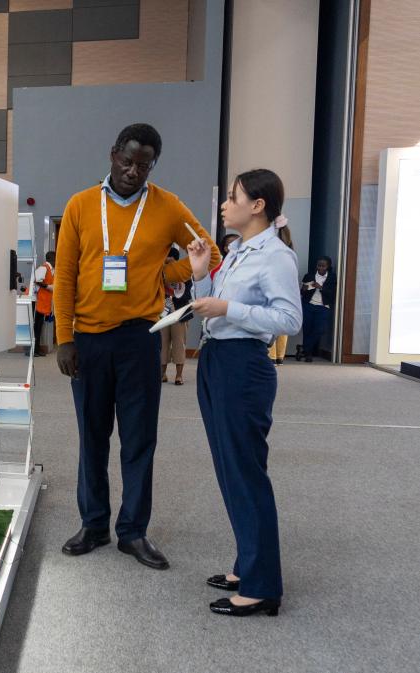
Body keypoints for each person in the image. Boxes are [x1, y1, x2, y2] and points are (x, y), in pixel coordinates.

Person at [54, 123, 221, 570]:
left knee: (139, 438)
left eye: (143, 165)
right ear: (113, 154)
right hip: (88, 341)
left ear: (152, 166)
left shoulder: (167, 206)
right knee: (92, 437)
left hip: (140, 340)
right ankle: (94, 524)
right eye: (127, 161)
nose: (132, 171)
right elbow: (65, 276)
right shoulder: (80, 205)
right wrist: (64, 338)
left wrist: (165, 274)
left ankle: (132, 531)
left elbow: (210, 253)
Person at [187, 168, 301, 617]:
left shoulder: (275, 256)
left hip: (243, 367)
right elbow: (211, 307)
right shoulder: (237, 250)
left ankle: (261, 587)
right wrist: (200, 276)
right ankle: (246, 565)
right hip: (217, 360)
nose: (224, 204)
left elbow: (289, 320)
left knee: (246, 473)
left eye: (232, 197)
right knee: (229, 469)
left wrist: (229, 307)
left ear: (257, 205)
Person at [161, 247, 193, 385]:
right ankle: (162, 374)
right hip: (162, 313)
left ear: (174, 259)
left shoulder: (184, 273)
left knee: (179, 344)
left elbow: (188, 293)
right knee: (162, 344)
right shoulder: (159, 272)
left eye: (168, 258)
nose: (165, 261)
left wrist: (173, 297)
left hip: (180, 313)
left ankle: (179, 376)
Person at [267, 230, 298, 365]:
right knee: (282, 326)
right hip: (287, 294)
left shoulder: (271, 256)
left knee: (270, 324)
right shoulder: (291, 256)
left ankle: (272, 357)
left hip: (272, 292)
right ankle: (280, 356)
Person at [298, 256, 336, 362]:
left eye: (323, 266)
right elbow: (302, 292)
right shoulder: (309, 275)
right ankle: (308, 353)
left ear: (328, 266)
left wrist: (321, 287)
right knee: (307, 329)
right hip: (308, 305)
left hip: (323, 307)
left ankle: (304, 348)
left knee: (320, 330)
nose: (320, 268)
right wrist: (304, 289)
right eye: (319, 265)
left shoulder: (332, 277)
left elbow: (332, 294)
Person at [32, 251, 56, 357]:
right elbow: (36, 280)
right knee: (36, 327)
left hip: (42, 302)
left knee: (39, 326)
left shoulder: (51, 270)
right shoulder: (44, 268)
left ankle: (37, 349)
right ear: (52, 259)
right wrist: (48, 287)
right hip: (36, 301)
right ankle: (33, 350)